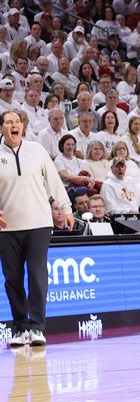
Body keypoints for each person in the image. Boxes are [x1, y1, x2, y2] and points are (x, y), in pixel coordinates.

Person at [0, 110, 74, 347]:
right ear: (1, 128)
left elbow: (54, 181)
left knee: (36, 274)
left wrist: (66, 207)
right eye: (9, 122)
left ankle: (37, 327)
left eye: (17, 121)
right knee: (12, 279)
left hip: (39, 224)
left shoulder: (37, 150)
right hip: (7, 228)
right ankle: (20, 328)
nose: (14, 125)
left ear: (22, 126)